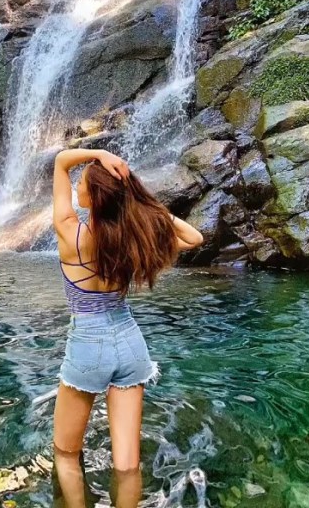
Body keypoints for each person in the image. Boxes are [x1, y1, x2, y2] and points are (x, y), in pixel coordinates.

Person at [52, 147, 204, 483]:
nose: (77, 186)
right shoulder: (134, 242)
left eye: (82, 184)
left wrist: (96, 153)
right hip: (131, 344)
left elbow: (62, 161)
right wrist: (141, 202)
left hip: (88, 346)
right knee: (127, 464)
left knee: (65, 456)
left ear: (94, 197)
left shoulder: (71, 234)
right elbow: (195, 238)